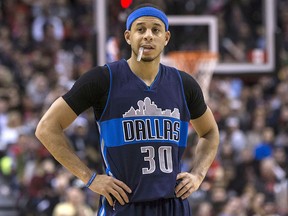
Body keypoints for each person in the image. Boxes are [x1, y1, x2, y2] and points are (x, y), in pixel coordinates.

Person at [35, 4, 219, 216]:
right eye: (140, 29)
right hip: (123, 206)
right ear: (128, 36)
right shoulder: (102, 79)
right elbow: (46, 128)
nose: (148, 35)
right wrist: (90, 178)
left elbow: (210, 132)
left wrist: (198, 175)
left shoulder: (184, 84)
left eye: (156, 30)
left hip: (173, 206)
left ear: (166, 38)